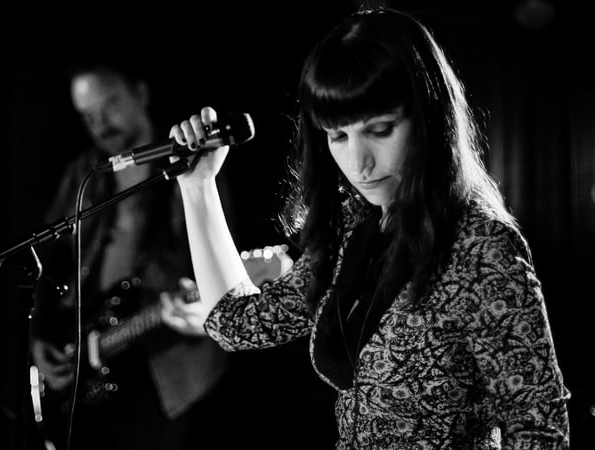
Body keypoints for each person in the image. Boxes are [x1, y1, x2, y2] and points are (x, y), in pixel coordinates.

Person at [165, 7, 571, 449]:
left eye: (379, 130)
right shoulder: (355, 230)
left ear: (430, 119)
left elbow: (539, 433)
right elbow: (236, 324)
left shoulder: (480, 249)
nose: (359, 163)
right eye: (337, 136)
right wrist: (198, 185)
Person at [28, 48, 231, 450]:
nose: (100, 124)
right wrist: (39, 339)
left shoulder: (191, 165)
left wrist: (207, 314)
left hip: (162, 366)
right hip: (86, 358)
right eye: (87, 115)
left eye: (109, 106)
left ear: (140, 93)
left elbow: (222, 273)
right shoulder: (85, 173)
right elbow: (47, 260)